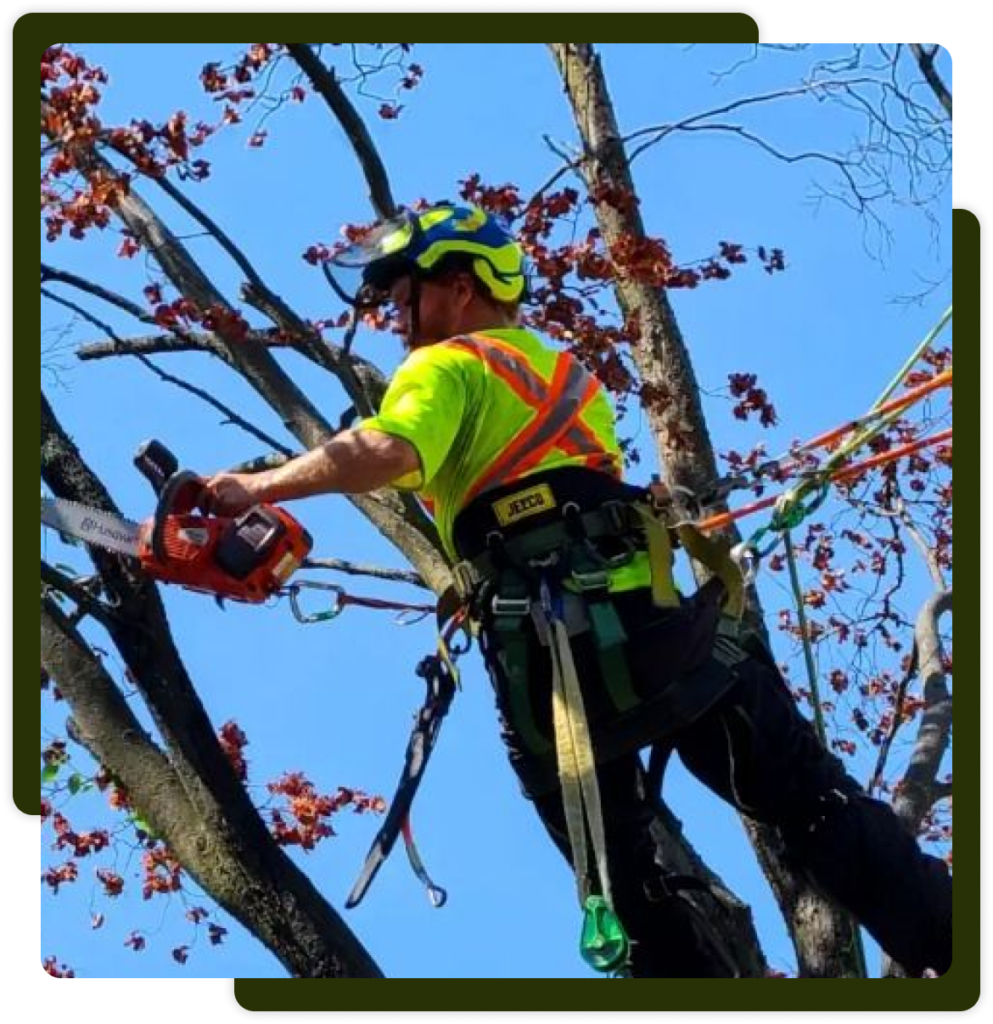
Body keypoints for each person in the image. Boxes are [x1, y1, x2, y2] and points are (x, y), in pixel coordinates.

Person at [202, 203, 952, 978]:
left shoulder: (444, 365)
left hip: (551, 669)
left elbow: (386, 450)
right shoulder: (564, 373)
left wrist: (258, 486)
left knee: (621, 891)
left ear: (458, 288)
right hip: (667, 637)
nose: (397, 323)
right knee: (814, 805)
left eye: (404, 299)